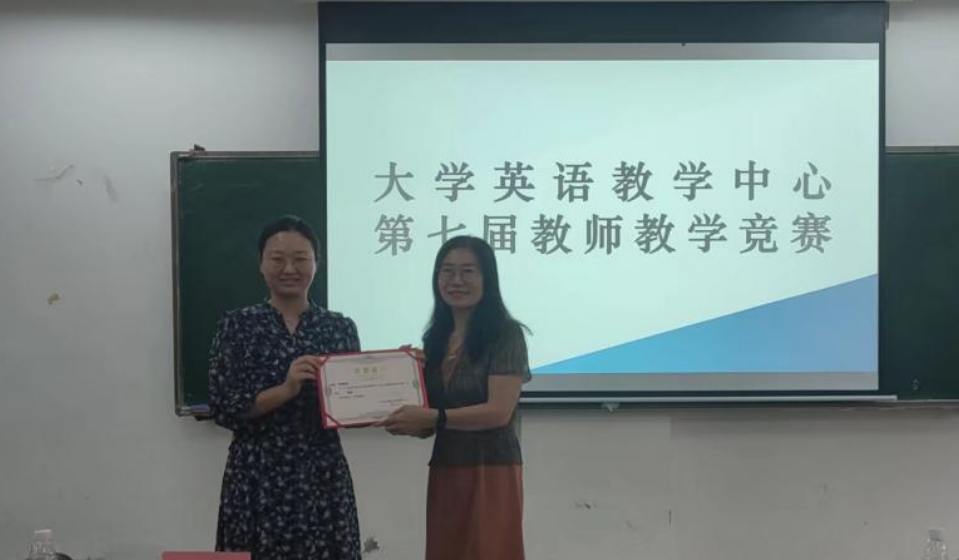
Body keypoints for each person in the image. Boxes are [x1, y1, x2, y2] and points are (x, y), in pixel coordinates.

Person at [207, 215, 361, 560]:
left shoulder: (339, 327)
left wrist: (398, 373)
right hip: (256, 474)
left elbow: (354, 403)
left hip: (322, 472)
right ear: (261, 264)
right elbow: (223, 406)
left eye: (301, 259)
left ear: (317, 264)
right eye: (277, 259)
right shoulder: (237, 326)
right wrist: (286, 389)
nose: (289, 268)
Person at [381, 235, 530, 560]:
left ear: (487, 278)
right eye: (447, 271)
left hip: (491, 468)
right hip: (446, 467)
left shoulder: (506, 334)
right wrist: (402, 397)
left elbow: (498, 412)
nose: (456, 280)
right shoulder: (435, 338)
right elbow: (429, 423)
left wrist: (433, 417)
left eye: (468, 271)